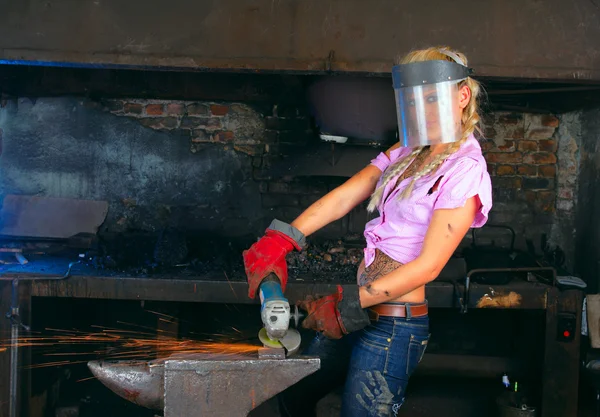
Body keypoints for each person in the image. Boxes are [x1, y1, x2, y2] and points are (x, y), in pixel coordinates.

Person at [243, 46, 493, 417]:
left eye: (430, 97)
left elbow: (428, 266)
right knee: (293, 393)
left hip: (392, 327)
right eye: (412, 98)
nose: (419, 108)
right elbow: (347, 195)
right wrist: (283, 237)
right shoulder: (410, 149)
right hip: (359, 311)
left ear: (462, 96)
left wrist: (348, 303)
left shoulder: (465, 169)